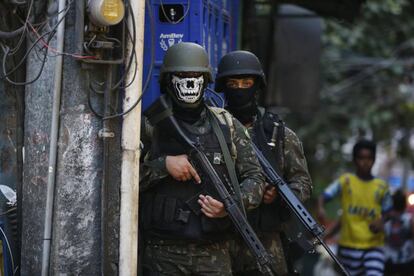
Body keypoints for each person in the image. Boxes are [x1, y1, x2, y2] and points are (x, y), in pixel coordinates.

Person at [139, 42, 265, 276]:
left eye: (196, 76)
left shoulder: (226, 124)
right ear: (169, 80)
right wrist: (163, 165)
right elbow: (124, 181)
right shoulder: (149, 126)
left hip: (213, 253)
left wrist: (231, 206)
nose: (190, 82)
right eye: (183, 76)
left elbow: (255, 178)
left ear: (205, 80)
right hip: (162, 253)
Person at [215, 50, 313, 275]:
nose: (240, 89)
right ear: (224, 86)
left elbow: (303, 183)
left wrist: (279, 196)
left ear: (257, 86)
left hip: (266, 239)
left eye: (246, 83)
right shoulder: (212, 130)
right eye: (233, 83)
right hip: (220, 239)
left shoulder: (279, 135)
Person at [317, 139, 393, 276]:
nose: (365, 162)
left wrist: (382, 221)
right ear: (355, 159)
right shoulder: (346, 181)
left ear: (374, 159)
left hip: (373, 246)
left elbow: (389, 212)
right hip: (348, 247)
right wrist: (321, 207)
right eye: (361, 158)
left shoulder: (382, 186)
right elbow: (325, 195)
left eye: (369, 158)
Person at [383, 189, 414, 275]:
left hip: (389, 260)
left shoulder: (386, 219)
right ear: (404, 205)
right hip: (407, 259)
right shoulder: (409, 219)